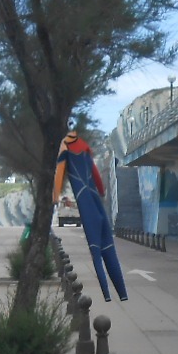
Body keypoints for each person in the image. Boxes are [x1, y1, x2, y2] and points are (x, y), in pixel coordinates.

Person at [52, 126, 127, 301]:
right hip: (97, 202)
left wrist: (55, 196)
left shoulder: (64, 148)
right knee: (109, 250)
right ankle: (122, 294)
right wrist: (101, 192)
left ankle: (107, 295)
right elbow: (95, 176)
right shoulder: (84, 146)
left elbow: (59, 174)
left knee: (96, 254)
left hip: (86, 205)